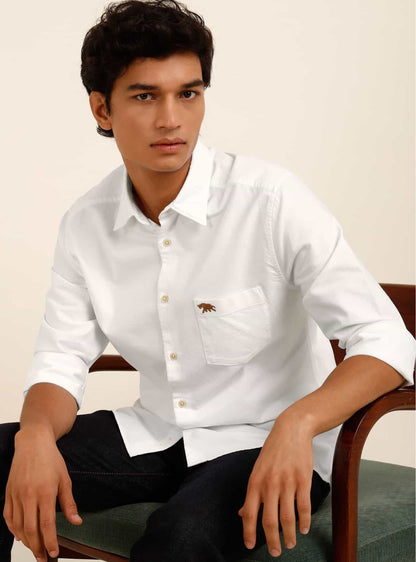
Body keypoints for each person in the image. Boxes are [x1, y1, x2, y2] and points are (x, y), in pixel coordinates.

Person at [1, 1, 415, 561]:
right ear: (102, 108)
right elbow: (61, 360)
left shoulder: (271, 201)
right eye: (145, 96)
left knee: (183, 537)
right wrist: (33, 436)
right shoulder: (86, 224)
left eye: (188, 93)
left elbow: (386, 340)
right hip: (157, 434)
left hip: (267, 442)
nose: (171, 119)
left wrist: (298, 423)